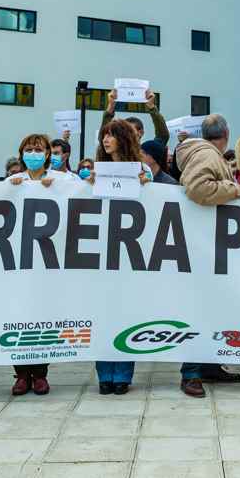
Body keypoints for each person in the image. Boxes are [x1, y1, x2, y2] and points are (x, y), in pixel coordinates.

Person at [87, 120, 152, 395]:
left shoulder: (143, 170)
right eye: (104, 135)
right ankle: (104, 374)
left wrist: (146, 186)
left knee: (126, 312)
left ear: (124, 139)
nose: (106, 139)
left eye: (111, 135)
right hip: (102, 252)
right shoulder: (94, 171)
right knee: (102, 312)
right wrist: (87, 184)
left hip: (130, 252)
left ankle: (123, 373)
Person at [5, 133, 63, 396]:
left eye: (38, 149)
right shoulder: (11, 182)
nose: (33, 153)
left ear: (48, 154)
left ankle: (40, 373)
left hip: (49, 260)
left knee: (43, 316)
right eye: (28, 149)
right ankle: (20, 375)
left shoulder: (63, 180)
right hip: (18, 260)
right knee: (17, 315)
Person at [101, 88, 170, 144]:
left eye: (130, 131)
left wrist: (152, 107)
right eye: (123, 131)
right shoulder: (115, 153)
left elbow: (162, 137)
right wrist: (111, 106)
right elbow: (103, 138)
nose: (125, 135)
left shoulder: (147, 152)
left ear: (140, 133)